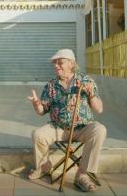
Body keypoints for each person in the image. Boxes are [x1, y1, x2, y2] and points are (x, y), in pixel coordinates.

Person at [27, 49, 106, 192]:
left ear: (71, 64)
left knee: (100, 130)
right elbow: (42, 112)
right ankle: (44, 166)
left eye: (60, 62)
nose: (56, 65)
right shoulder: (51, 86)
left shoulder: (86, 81)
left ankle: (82, 174)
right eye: (54, 63)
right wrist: (37, 104)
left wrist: (91, 95)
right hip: (58, 127)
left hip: (83, 127)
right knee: (38, 134)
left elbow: (99, 109)